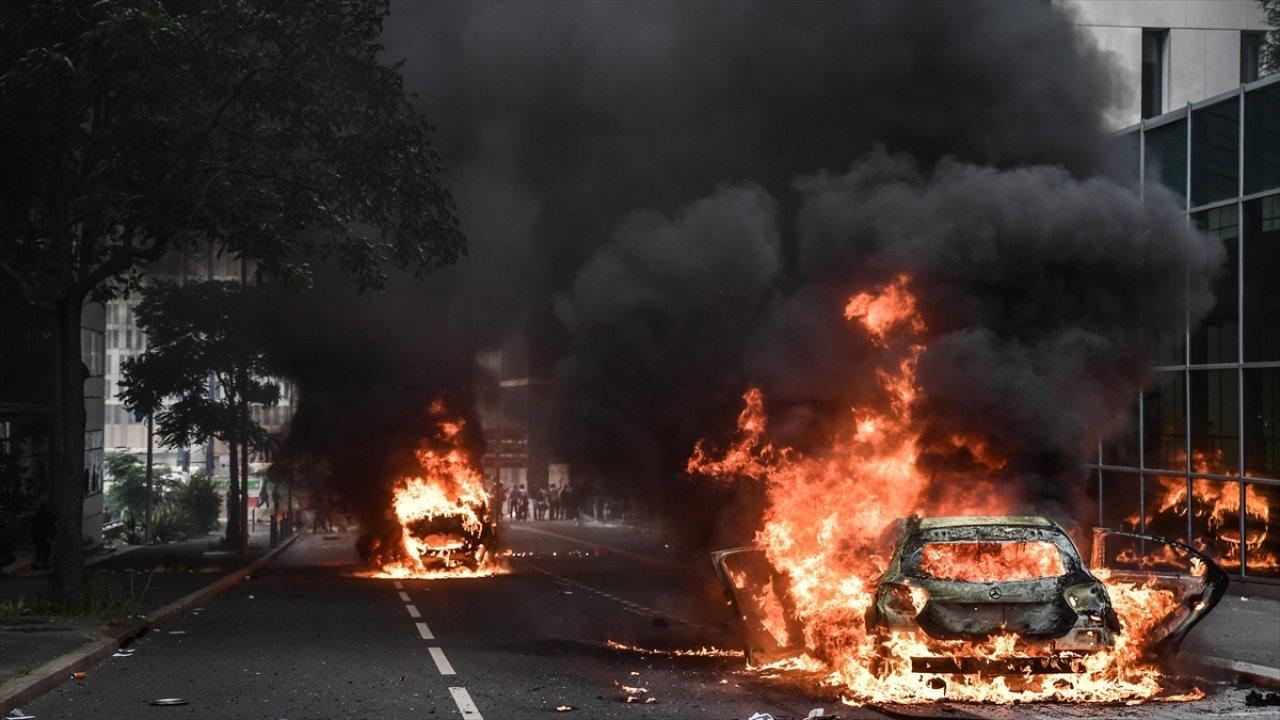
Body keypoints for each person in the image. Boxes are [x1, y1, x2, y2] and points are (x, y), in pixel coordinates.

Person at [30, 502, 57, 571]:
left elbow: (32, 522)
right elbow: (55, 521)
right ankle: (44, 563)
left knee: (39, 550)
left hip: (38, 536)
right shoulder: (49, 515)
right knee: (46, 550)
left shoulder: (38, 515)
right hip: (46, 535)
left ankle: (37, 564)